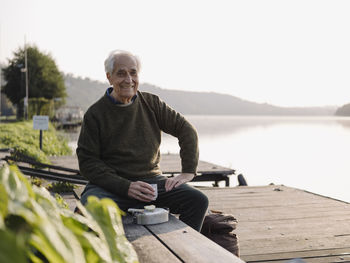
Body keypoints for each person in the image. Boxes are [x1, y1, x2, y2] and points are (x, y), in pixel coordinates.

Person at [76, 50, 208, 231]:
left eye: (133, 72)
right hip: (111, 186)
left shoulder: (152, 103)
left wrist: (188, 172)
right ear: (109, 77)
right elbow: (88, 163)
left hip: (152, 184)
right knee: (88, 208)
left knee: (198, 201)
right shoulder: (95, 114)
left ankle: (185, 251)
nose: (129, 79)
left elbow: (187, 131)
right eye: (121, 73)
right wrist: (125, 186)